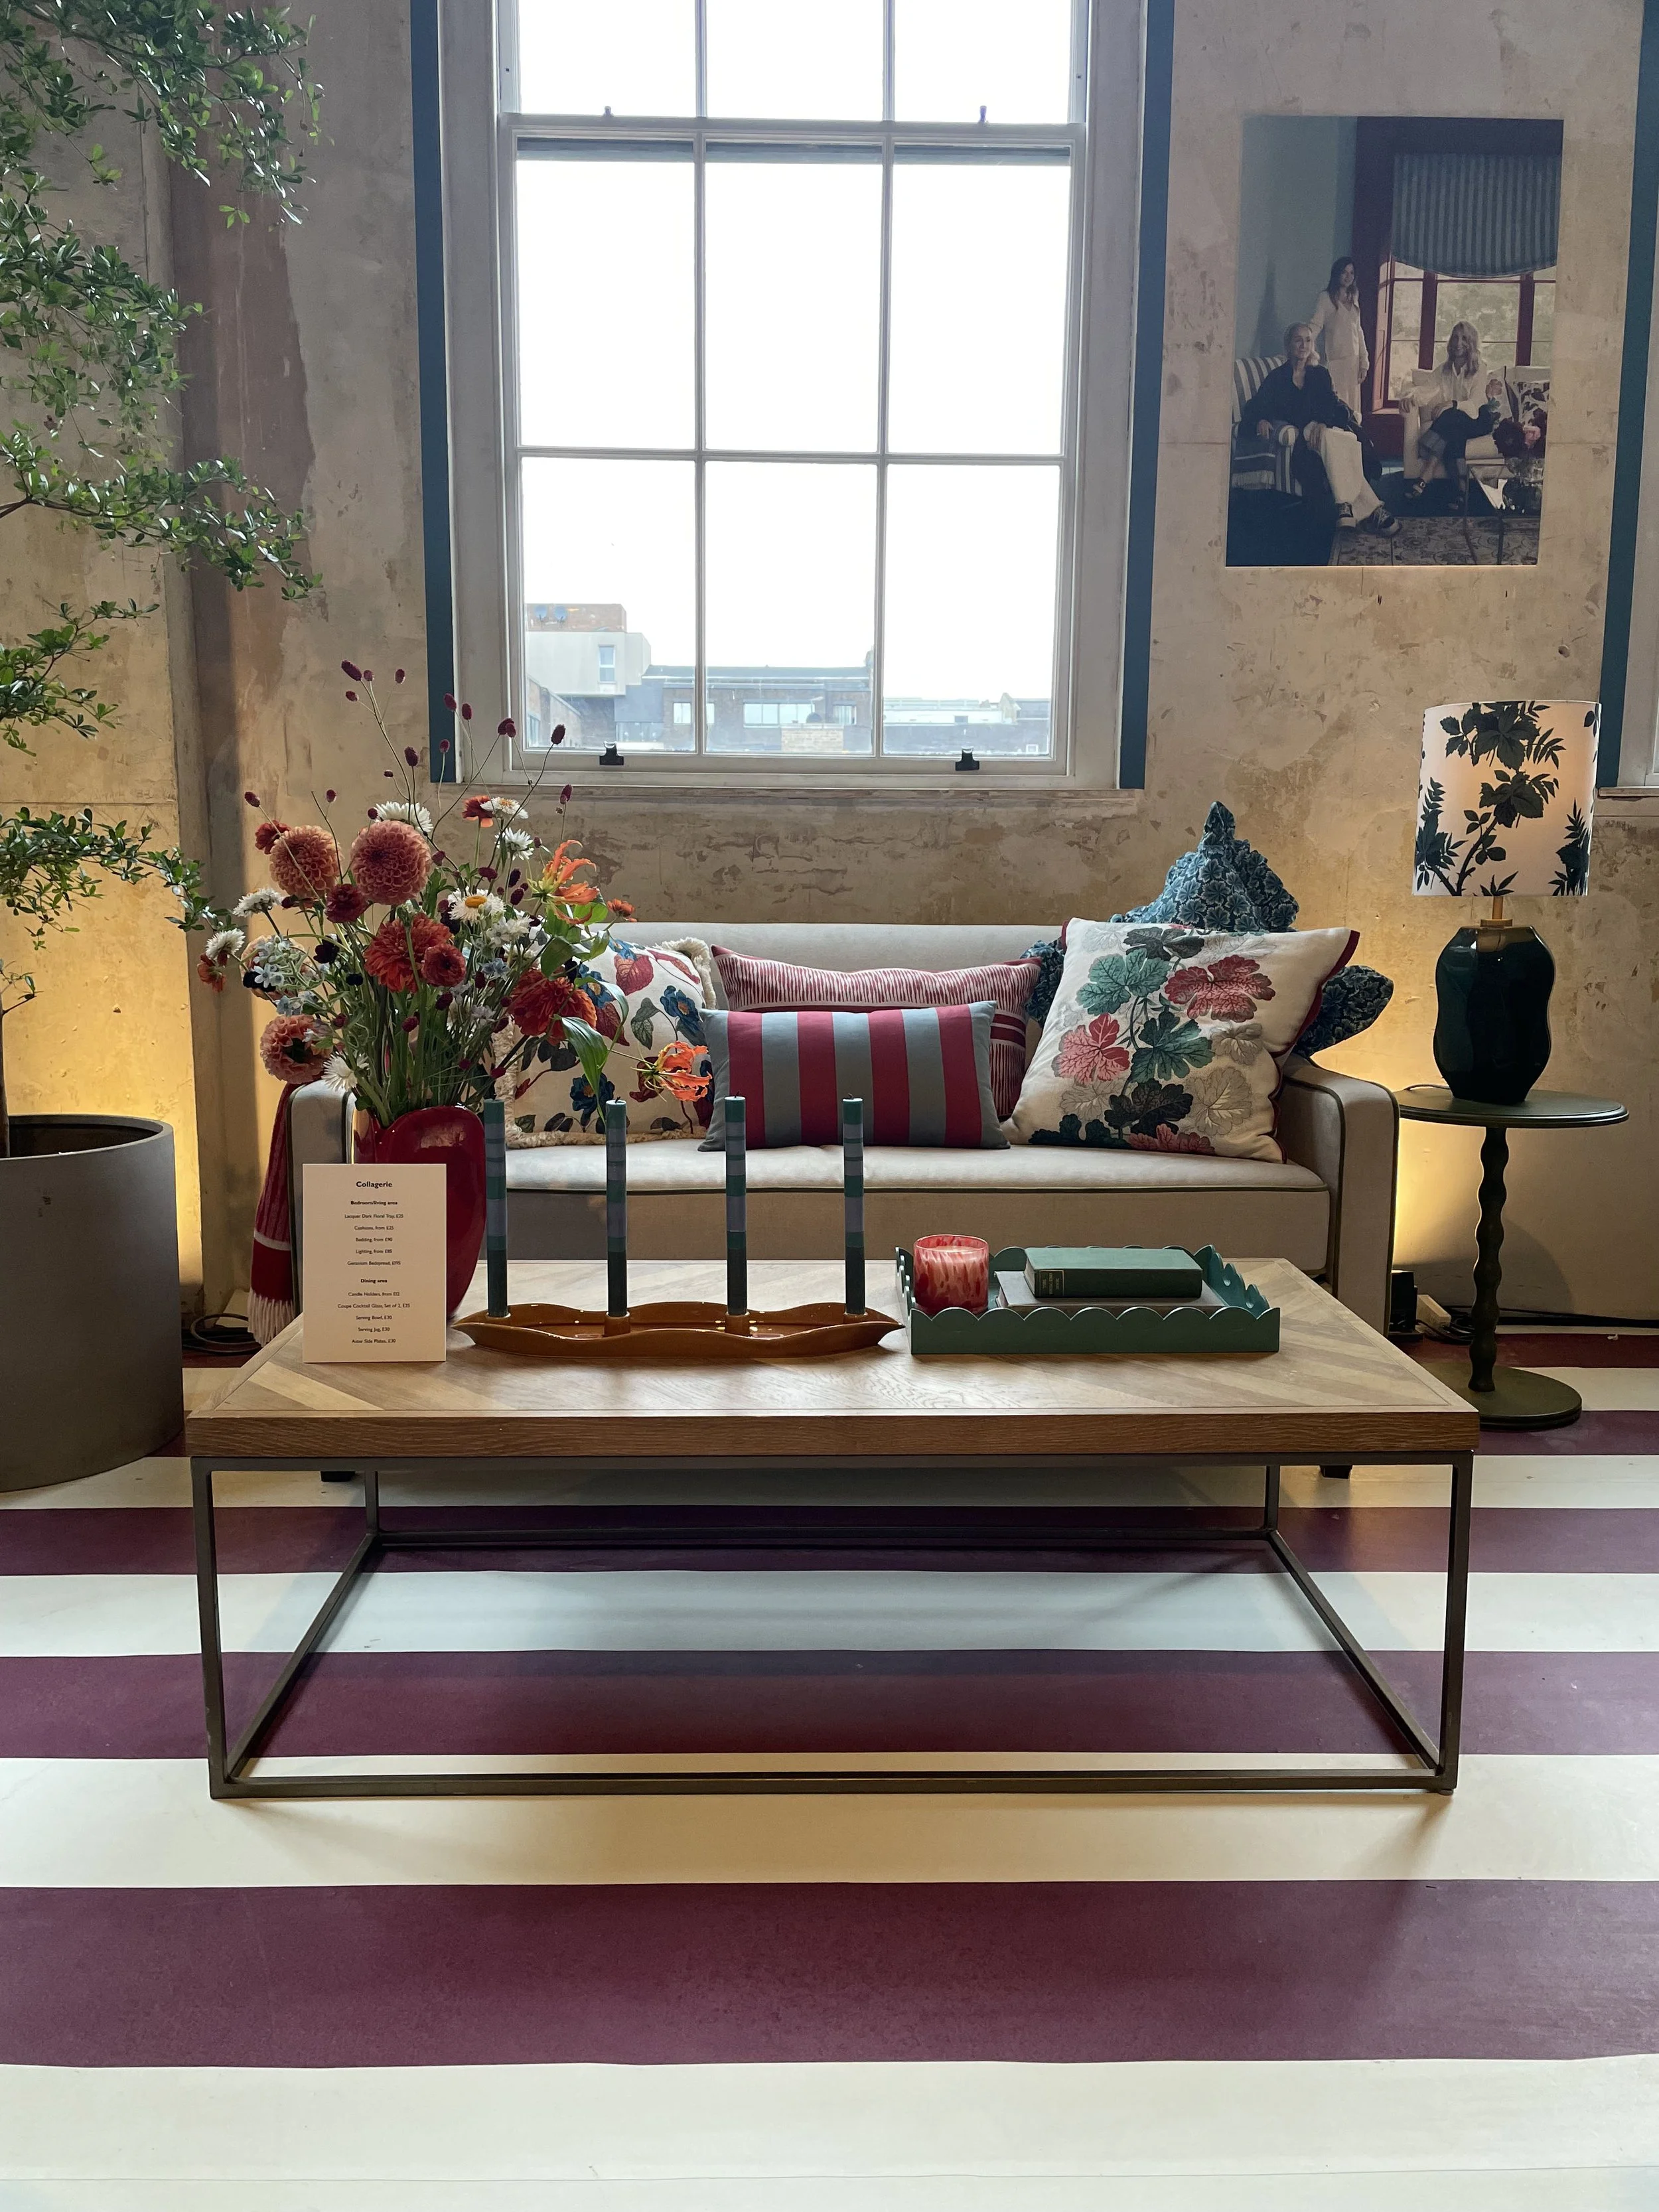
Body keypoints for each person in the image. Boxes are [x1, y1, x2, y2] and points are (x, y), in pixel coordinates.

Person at [1251, 322, 1400, 537]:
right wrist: (1261, 419)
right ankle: (1372, 510)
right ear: (1289, 345)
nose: (1304, 345)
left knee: (1340, 439)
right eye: (1298, 340)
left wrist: (1322, 423)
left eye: (1308, 340)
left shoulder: (1320, 374)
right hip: (1302, 435)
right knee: (1346, 441)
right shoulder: (1277, 378)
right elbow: (1257, 405)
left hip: (1323, 430)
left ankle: (1346, 508)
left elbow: (1332, 404)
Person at [1407, 321, 1508, 500]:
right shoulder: (1445, 369)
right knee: (1454, 434)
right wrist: (1409, 397)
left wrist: (1452, 404)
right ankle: (1461, 490)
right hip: (1455, 423)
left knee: (1451, 415)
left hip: (1479, 419)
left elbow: (1476, 403)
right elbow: (1426, 388)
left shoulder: (1480, 367)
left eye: (1464, 339)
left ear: (1471, 343)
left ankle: (1427, 471)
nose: (1458, 343)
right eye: (1455, 338)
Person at [1308, 256, 1370, 419]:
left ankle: (1354, 435)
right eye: (1344, 272)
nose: (1348, 277)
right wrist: (1304, 342)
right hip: (1336, 363)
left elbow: (1358, 331)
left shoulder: (1354, 296)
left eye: (1352, 273)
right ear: (1337, 273)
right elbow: (1316, 325)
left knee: (1354, 412)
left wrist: (1364, 362)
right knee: (1339, 409)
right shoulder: (1325, 298)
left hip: (1353, 364)